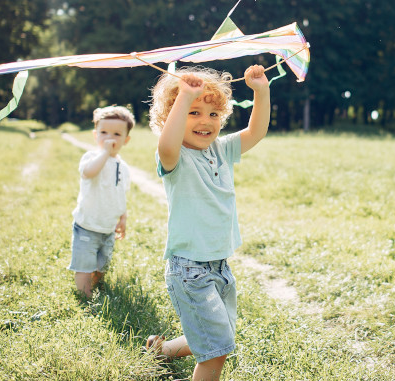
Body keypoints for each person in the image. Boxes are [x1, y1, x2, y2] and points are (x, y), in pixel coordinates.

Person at [145, 64, 270, 381]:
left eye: (213, 114)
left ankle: (160, 350)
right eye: (194, 112)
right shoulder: (175, 157)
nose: (205, 121)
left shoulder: (222, 150)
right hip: (189, 270)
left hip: (219, 266)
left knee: (219, 336)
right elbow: (167, 145)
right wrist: (185, 96)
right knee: (215, 351)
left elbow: (256, 132)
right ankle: (170, 353)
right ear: (171, 117)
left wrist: (261, 91)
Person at [68, 105, 135, 298]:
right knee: (84, 265)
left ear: (126, 140)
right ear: (95, 135)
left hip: (108, 227)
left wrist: (123, 217)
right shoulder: (92, 157)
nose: (109, 138)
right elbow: (89, 173)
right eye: (103, 132)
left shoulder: (124, 167)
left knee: (102, 264)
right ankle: (84, 297)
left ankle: (97, 287)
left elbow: (122, 194)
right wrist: (105, 153)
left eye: (116, 134)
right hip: (87, 225)